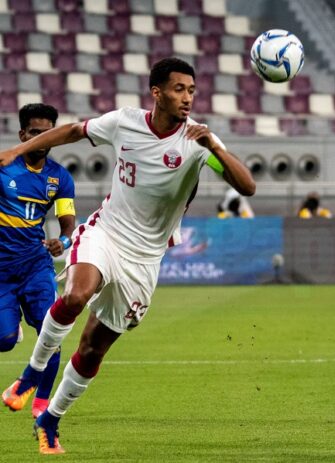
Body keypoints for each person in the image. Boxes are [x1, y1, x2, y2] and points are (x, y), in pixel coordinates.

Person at [0, 58, 255, 454]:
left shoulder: (198, 140)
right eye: (178, 89)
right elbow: (70, 130)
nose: (187, 98)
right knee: (75, 295)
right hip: (106, 233)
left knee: (92, 348)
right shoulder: (125, 121)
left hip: (145, 258)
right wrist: (20, 149)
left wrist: (213, 145)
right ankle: (31, 373)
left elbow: (248, 185)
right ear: (157, 93)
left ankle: (50, 419)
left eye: (191, 90)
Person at [0, 103, 76, 419]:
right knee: (4, 342)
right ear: (22, 134)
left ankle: (41, 401)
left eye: (48, 134)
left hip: (36, 266)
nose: (41, 139)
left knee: (52, 332)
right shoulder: (5, 167)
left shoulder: (59, 178)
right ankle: (12, 329)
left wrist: (65, 240)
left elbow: (68, 221)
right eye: (35, 133)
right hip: (2, 271)